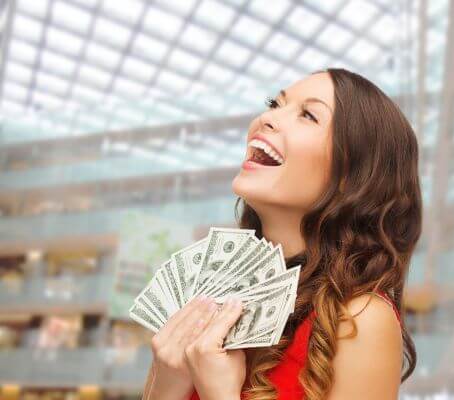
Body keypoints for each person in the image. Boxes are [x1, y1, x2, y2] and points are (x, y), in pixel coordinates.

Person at [142, 67, 422, 400]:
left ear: (352, 174)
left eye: (308, 115)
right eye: (274, 104)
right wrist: (166, 385)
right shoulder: (207, 298)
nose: (267, 118)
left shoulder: (361, 319)